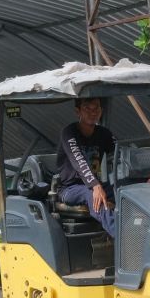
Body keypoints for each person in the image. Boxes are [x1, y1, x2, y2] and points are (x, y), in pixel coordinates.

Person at [57, 96, 116, 237]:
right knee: (92, 194)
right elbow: (79, 161)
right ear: (78, 112)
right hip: (70, 189)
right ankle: (123, 237)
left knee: (123, 189)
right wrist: (95, 185)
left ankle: (143, 227)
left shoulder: (104, 134)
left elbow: (120, 154)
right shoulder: (69, 133)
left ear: (101, 111)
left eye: (96, 108)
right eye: (87, 108)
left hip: (95, 184)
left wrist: (146, 177)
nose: (92, 112)